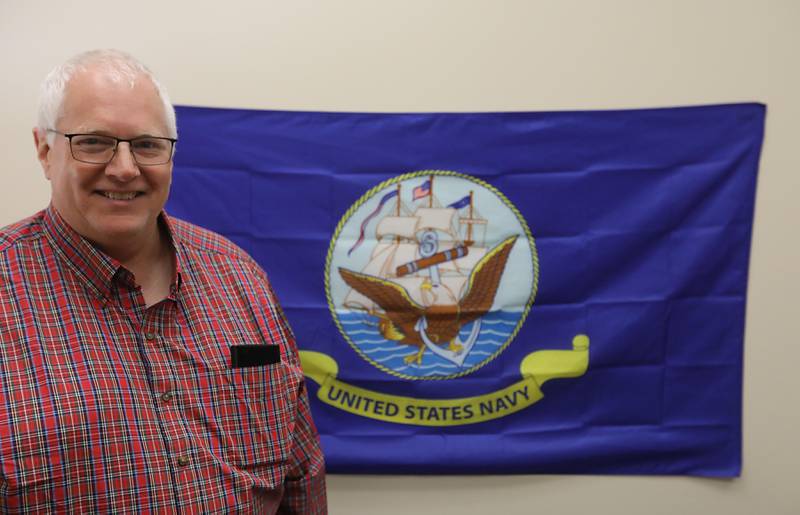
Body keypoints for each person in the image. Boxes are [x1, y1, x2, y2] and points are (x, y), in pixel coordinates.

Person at [0, 49, 327, 513]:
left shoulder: (239, 277)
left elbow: (301, 475)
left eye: (147, 145)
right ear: (44, 150)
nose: (124, 168)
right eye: (93, 142)